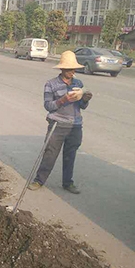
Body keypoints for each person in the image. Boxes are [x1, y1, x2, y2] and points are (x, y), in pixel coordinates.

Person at [28, 51, 93, 194]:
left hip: (75, 125)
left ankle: (67, 182)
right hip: (57, 124)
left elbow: (82, 106)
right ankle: (39, 180)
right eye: (69, 69)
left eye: (74, 69)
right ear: (62, 69)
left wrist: (85, 99)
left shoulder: (78, 83)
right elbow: (48, 106)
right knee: (50, 154)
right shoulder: (51, 84)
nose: (72, 72)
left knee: (70, 155)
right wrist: (62, 100)